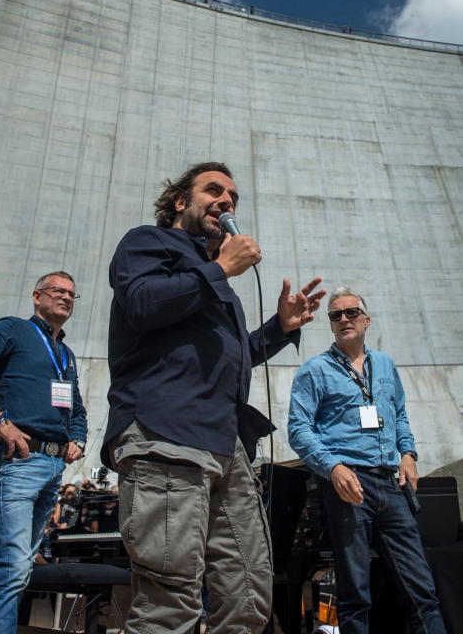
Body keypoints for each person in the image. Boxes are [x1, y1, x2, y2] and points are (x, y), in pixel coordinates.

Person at [101, 161, 326, 634]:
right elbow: (142, 304)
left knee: (248, 592)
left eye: (233, 198)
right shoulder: (147, 242)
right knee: (170, 596)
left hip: (226, 445)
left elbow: (234, 354)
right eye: (214, 191)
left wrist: (280, 329)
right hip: (166, 436)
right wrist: (222, 269)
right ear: (181, 201)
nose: (226, 201)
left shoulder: (212, 277)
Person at [288, 287, 446, 634]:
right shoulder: (314, 371)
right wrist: (334, 467)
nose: (344, 319)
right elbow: (299, 430)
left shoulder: (386, 365)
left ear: (366, 319)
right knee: (354, 594)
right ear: (330, 325)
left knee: (421, 590)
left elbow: (399, 416)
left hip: (391, 485)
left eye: (351, 312)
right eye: (335, 315)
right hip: (348, 486)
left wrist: (408, 453)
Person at [0, 271, 88, 634]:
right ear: (37, 296)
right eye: (58, 291)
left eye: (72, 294)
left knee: (22, 567)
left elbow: (78, 409)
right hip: (19, 463)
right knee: (12, 568)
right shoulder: (13, 330)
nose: (66, 298)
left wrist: (78, 439)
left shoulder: (66, 354)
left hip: (53, 467)